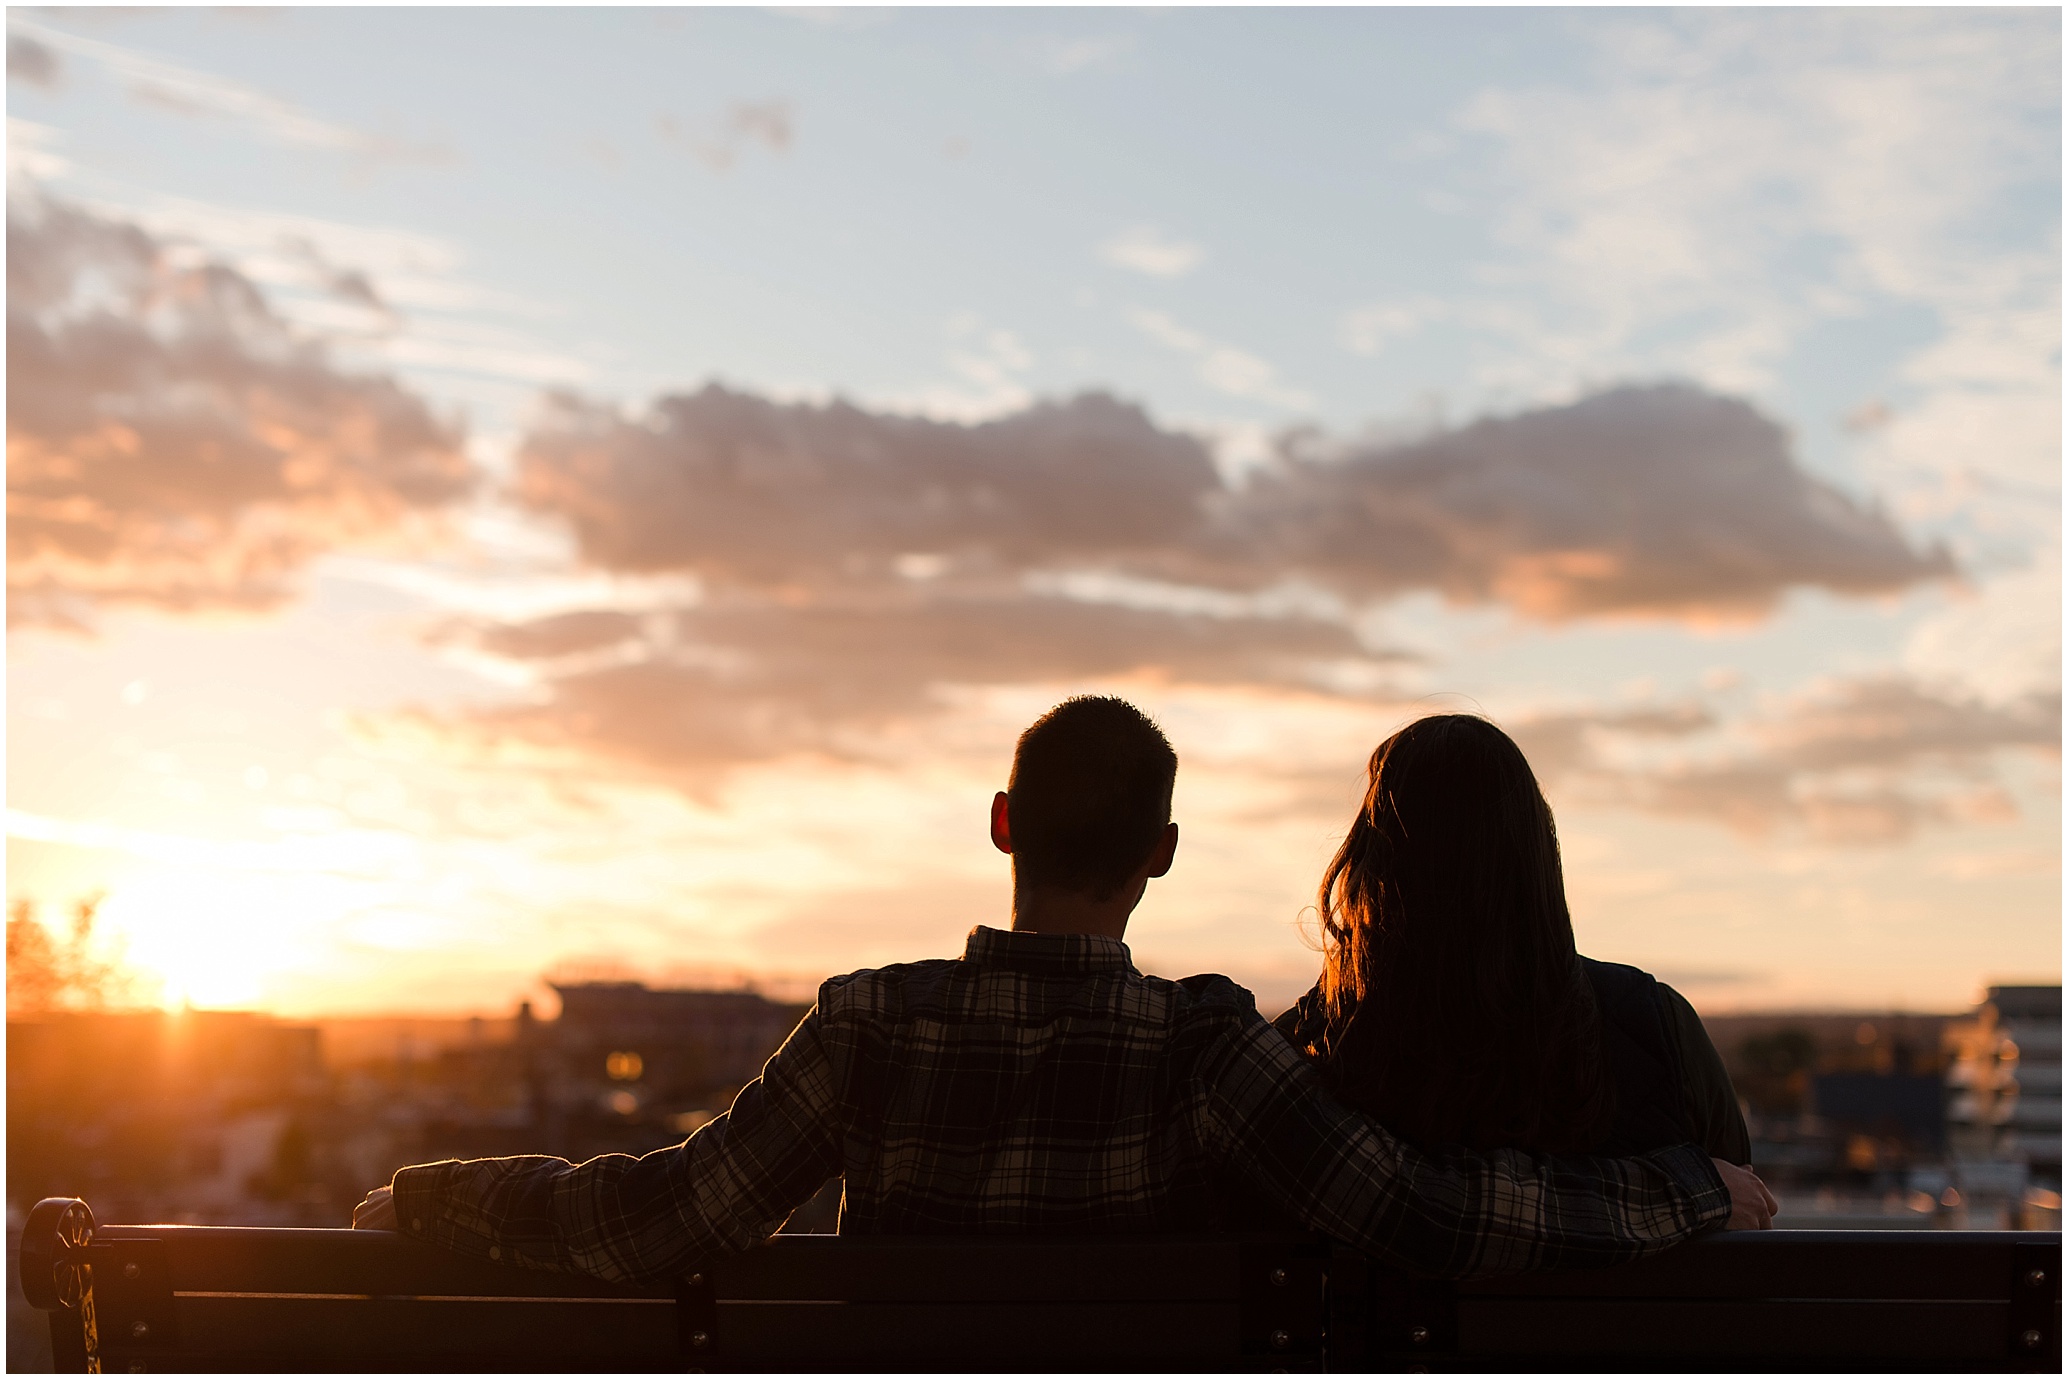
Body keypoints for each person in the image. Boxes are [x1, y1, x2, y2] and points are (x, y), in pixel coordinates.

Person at [354, 696, 1773, 1283]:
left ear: (1002, 824)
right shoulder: (1209, 1049)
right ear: (1161, 854)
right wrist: (1690, 1191)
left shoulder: (866, 1025)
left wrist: (442, 1197)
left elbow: (669, 1215)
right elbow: (1421, 1206)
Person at [1275, 714, 1754, 1165]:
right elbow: (1747, 1216)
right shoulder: (1657, 1028)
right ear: (1538, 858)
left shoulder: (1311, 1045)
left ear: (1371, 864)